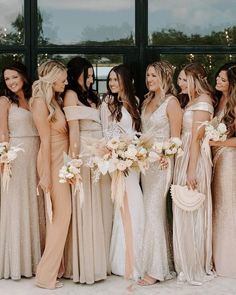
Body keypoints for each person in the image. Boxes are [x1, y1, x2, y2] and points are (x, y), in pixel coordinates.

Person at [63, 56, 113, 284]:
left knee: (101, 204)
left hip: (100, 153)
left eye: (93, 75)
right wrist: (73, 162)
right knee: (86, 206)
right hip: (83, 153)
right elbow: (73, 131)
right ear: (77, 75)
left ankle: (102, 260)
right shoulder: (71, 95)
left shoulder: (91, 96)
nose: (92, 79)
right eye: (89, 75)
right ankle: (86, 264)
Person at [138, 61, 182, 286]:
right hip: (145, 165)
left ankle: (156, 270)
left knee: (154, 211)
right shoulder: (146, 100)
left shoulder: (171, 102)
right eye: (147, 75)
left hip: (163, 164)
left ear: (164, 76)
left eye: (153, 75)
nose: (149, 79)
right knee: (149, 212)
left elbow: (176, 138)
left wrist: (167, 155)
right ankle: (155, 261)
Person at [101, 64, 144, 280]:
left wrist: (135, 152)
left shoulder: (136, 102)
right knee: (126, 206)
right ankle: (125, 262)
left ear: (126, 81)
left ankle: (138, 257)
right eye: (110, 80)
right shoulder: (108, 103)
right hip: (117, 162)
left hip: (134, 163)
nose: (112, 84)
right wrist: (117, 154)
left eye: (116, 80)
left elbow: (137, 133)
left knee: (135, 205)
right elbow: (105, 133)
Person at [172, 63, 215, 285]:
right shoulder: (190, 101)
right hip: (185, 156)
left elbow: (197, 138)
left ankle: (193, 262)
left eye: (183, 79)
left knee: (191, 207)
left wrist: (190, 169)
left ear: (194, 80)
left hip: (194, 159)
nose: (179, 83)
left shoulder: (204, 101)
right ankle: (183, 259)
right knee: (183, 207)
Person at [30, 60, 71, 289]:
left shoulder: (53, 100)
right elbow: (44, 141)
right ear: (51, 78)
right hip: (51, 161)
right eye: (62, 79)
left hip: (61, 161)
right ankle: (45, 277)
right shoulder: (39, 102)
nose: (65, 83)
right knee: (61, 214)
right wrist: (45, 174)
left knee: (59, 216)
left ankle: (56, 269)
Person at [0, 61, 41, 280]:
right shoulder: (4, 101)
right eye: (7, 79)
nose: (11, 82)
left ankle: (35, 262)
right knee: (16, 205)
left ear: (23, 76)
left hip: (37, 153)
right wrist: (4, 159)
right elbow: (2, 133)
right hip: (15, 156)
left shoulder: (35, 99)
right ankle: (16, 263)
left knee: (35, 204)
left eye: (14, 77)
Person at [210, 62, 236, 279]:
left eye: (223, 79)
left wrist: (216, 143)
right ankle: (217, 257)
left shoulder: (234, 105)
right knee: (217, 205)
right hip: (215, 159)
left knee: (228, 206)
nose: (218, 81)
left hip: (228, 160)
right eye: (218, 77)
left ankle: (229, 260)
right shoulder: (217, 102)